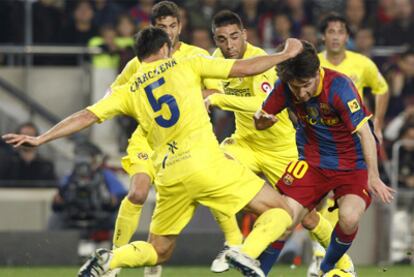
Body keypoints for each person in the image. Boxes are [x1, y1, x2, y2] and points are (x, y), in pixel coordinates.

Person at [3, 27, 303, 277]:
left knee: (159, 251)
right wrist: (286, 54)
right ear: (164, 48)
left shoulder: (129, 88)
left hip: (170, 175)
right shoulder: (187, 64)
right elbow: (245, 67)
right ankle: (245, 253)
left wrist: (43, 138)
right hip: (206, 162)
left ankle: (112, 260)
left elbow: (86, 115)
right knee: (281, 212)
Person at [204, 10, 353, 276]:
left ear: (244, 35)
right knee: (213, 171)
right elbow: (203, 86)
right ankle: (233, 243)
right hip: (245, 143)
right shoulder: (216, 61)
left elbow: (262, 106)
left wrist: (217, 99)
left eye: (234, 37)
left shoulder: (261, 60)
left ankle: (343, 264)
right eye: (222, 39)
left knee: (306, 218)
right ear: (215, 40)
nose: (229, 46)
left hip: (281, 148)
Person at [254, 40, 394, 275]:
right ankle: (258, 272)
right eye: (294, 87)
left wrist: (374, 176)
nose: (301, 93)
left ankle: (328, 267)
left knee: (349, 218)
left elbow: (365, 134)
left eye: (306, 85)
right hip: (312, 162)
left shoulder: (339, 87)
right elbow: (261, 118)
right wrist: (261, 122)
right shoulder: (285, 87)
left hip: (353, 164)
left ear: (317, 72)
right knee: (282, 219)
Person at [49, 142, 127, 231]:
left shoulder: (105, 175)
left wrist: (110, 200)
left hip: (100, 215)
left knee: (118, 220)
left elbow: (120, 196)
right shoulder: (70, 176)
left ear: (95, 159)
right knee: (55, 219)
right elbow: (58, 199)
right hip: (73, 215)